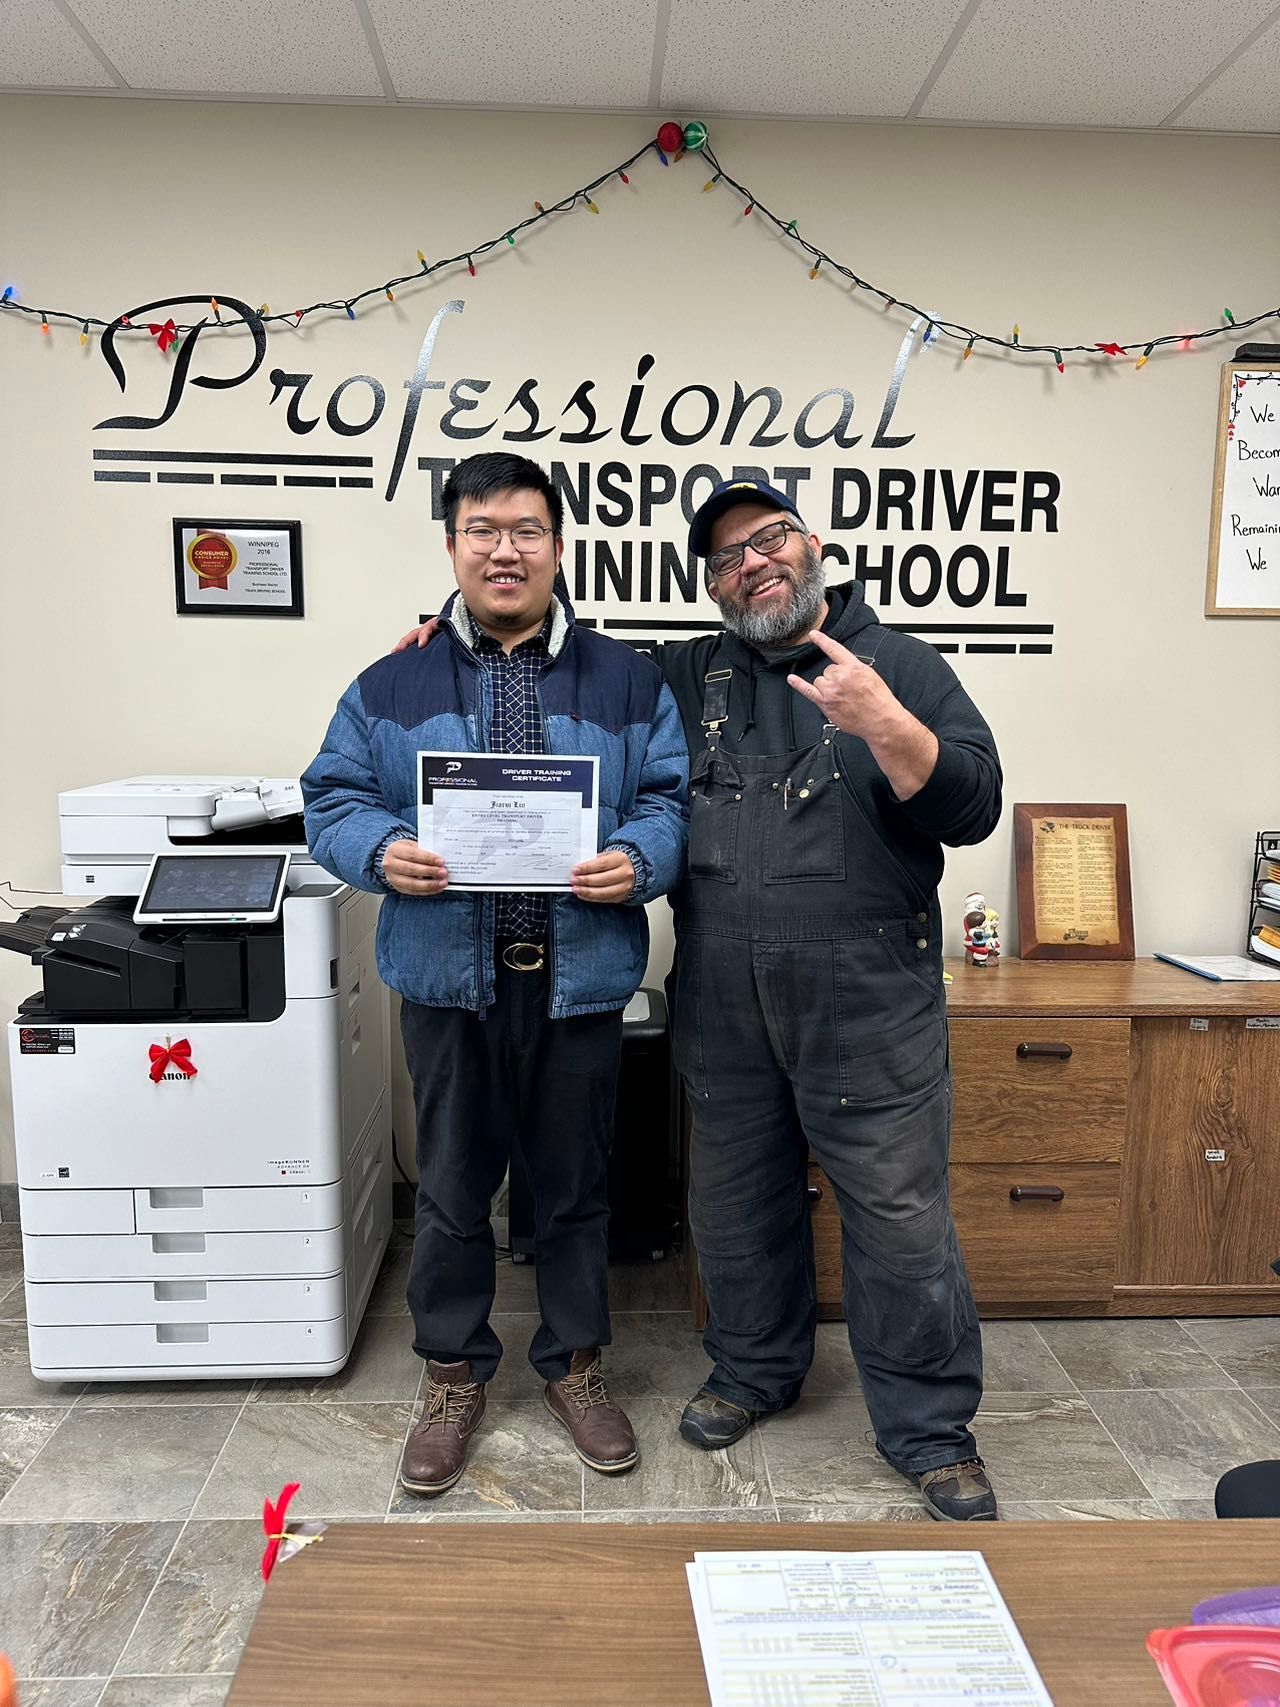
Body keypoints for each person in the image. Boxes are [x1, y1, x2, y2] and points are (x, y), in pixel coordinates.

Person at [399, 475, 1003, 1522]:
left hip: (867, 992)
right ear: (714, 585)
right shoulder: (685, 673)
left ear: (809, 543)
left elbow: (974, 806)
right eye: (724, 557)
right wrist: (448, 636)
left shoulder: (898, 663)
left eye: (766, 538)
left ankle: (927, 1430)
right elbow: (563, 660)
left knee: (898, 1221)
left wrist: (887, 724)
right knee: (733, 1202)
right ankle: (754, 1372)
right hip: (723, 981)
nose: (750, 563)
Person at [303, 451, 688, 1497]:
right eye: (482, 530)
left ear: (558, 546)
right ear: (452, 545)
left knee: (574, 1187)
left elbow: (668, 798)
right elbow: (329, 798)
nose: (504, 549)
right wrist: (378, 850)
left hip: (576, 977)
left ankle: (572, 1363)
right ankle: (452, 1373)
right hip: (446, 979)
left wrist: (641, 858)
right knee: (453, 1189)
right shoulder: (391, 682)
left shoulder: (625, 679)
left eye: (525, 530)